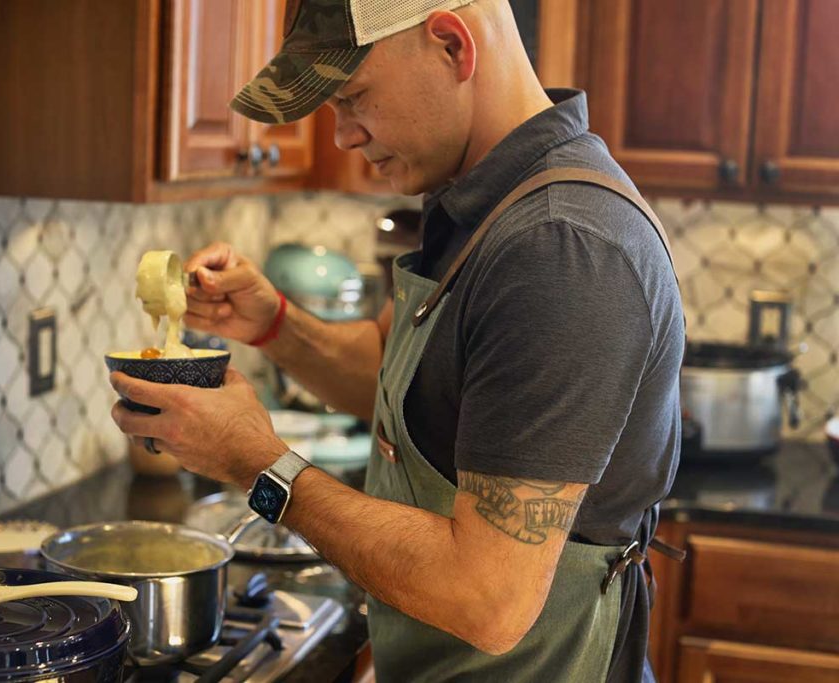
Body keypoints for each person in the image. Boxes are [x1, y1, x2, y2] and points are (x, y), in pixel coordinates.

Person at [109, 1, 685, 681]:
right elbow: (402, 382)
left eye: (353, 97)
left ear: (452, 46)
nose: (344, 135)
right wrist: (273, 325)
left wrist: (257, 464)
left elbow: (487, 599)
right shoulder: (481, 199)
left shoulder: (560, 248)